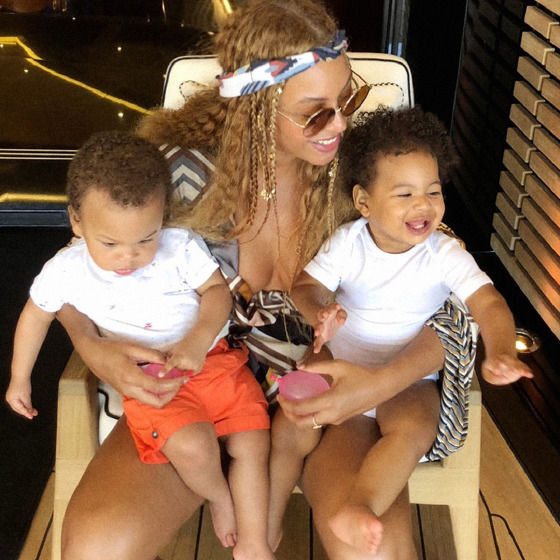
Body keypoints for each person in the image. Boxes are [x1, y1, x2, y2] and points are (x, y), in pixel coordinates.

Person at [55, 1, 480, 559]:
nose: (341, 124)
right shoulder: (180, 175)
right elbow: (73, 268)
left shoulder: (361, 173)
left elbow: (453, 308)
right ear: (256, 107)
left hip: (335, 404)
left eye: (347, 99)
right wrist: (91, 348)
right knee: (95, 546)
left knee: (375, 553)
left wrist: (378, 386)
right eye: (315, 113)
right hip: (200, 395)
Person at [268, 106, 534, 555]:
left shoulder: (442, 253)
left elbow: (488, 303)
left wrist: (501, 350)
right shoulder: (349, 243)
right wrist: (320, 312)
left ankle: (361, 504)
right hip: (342, 368)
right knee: (291, 424)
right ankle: (268, 518)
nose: (423, 205)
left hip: (409, 381)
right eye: (405, 193)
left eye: (433, 191)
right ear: (364, 202)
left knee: (413, 428)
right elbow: (306, 287)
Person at [5, 131, 273, 560]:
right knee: (192, 445)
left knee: (253, 441)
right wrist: (20, 378)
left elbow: (216, 293)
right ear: (77, 221)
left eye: (145, 239)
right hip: (153, 380)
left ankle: (255, 544)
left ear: (161, 218)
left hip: (211, 360)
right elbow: (36, 315)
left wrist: (198, 340)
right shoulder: (66, 270)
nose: (128, 257)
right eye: (110, 244)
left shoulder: (178, 247)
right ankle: (221, 498)